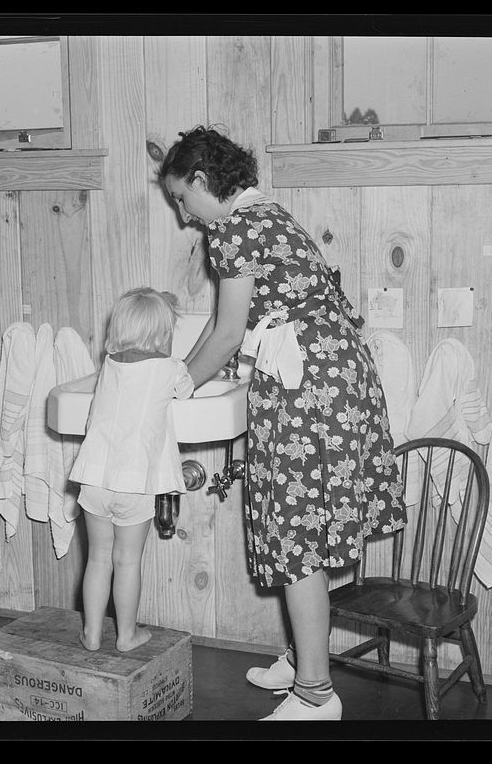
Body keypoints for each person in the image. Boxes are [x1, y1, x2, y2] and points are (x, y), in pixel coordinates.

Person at [158, 126, 406, 721]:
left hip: (308, 390)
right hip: (334, 380)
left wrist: (173, 386)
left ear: (199, 180)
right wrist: (182, 374)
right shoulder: (268, 214)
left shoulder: (233, 229)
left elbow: (225, 333)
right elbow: (230, 327)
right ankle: (302, 658)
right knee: (300, 525)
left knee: (295, 534)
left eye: (181, 200)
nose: (184, 215)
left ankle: (316, 693)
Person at [69, 287, 194, 652]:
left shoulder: (110, 364)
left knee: (98, 558)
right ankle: (126, 636)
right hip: (135, 483)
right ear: (163, 335)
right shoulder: (170, 368)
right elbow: (185, 393)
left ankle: (91, 634)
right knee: (126, 561)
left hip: (94, 478)